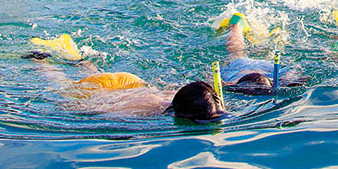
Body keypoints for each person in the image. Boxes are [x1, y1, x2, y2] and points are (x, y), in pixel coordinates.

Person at [27, 51, 227, 120]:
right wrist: (71, 107)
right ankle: (40, 62)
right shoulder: (140, 111)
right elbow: (94, 110)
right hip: (103, 89)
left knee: (96, 78)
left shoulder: (181, 96)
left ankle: (84, 63)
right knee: (63, 85)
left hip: (131, 81)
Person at [218, 11, 304, 93]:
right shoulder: (232, 83)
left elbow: (299, 76)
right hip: (250, 70)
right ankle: (236, 26)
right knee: (236, 50)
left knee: (238, 51)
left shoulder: (232, 83)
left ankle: (237, 25)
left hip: (266, 70)